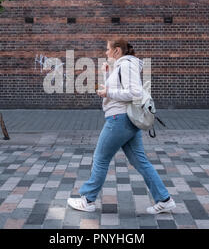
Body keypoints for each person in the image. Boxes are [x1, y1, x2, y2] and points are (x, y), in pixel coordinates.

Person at [67, 38, 176, 214]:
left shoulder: (126, 65)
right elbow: (115, 91)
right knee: (140, 161)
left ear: (117, 50)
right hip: (126, 120)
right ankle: (164, 199)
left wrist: (108, 92)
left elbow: (134, 92)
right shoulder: (121, 66)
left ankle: (87, 200)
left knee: (100, 158)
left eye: (108, 49)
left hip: (120, 119)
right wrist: (107, 75)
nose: (106, 52)